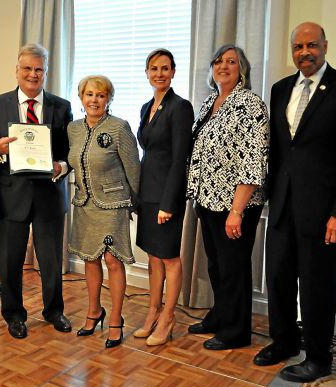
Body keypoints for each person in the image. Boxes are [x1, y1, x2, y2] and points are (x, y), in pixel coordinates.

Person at [253, 22, 336, 382]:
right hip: (283, 206)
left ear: (325, 46)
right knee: (279, 278)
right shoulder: (280, 89)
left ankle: (319, 358)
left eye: (312, 45)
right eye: (298, 47)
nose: (305, 52)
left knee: (318, 284)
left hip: (324, 213)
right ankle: (284, 341)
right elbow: (278, 149)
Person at [0, 44, 73, 339]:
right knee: (9, 260)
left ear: (45, 72)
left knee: (51, 260)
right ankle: (14, 314)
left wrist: (63, 166)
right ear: (17, 71)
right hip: (10, 194)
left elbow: (71, 149)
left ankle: (54, 310)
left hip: (49, 195)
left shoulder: (61, 105)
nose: (33, 74)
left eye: (39, 69)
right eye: (27, 68)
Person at [186, 45, 269, 351]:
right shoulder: (211, 101)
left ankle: (235, 332)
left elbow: (253, 159)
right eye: (218, 61)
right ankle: (221, 315)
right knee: (217, 266)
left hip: (236, 203)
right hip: (208, 199)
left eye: (231, 62)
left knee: (233, 267)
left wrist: (237, 210)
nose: (223, 66)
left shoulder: (250, 104)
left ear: (242, 69)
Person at [68, 75, 140, 348]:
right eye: (89, 94)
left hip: (113, 205)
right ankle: (94, 311)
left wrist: (133, 204)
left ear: (109, 99)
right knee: (89, 259)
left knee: (112, 261)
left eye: (100, 95)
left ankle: (116, 319)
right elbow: (71, 162)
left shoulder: (120, 128)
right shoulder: (73, 128)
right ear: (81, 98)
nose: (94, 100)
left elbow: (133, 169)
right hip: (85, 204)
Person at [134, 49, 194, 346]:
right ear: (147, 73)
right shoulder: (147, 106)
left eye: (165, 68)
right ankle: (152, 312)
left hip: (166, 196)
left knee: (169, 257)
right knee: (153, 257)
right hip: (147, 193)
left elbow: (180, 158)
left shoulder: (180, 107)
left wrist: (169, 203)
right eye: (154, 68)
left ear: (173, 72)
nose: (159, 73)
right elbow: (147, 152)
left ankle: (168, 317)